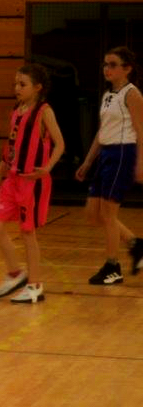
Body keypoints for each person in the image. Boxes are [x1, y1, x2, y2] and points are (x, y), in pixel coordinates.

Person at [0, 64, 65, 303]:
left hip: (32, 181)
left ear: (38, 87)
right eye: (15, 84)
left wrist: (47, 168)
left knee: (27, 232)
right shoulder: (16, 110)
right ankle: (15, 273)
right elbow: (10, 148)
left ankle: (35, 285)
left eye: (22, 84)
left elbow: (60, 144)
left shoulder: (44, 111)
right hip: (12, 179)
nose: (17, 88)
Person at [76, 47, 143, 284]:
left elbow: (141, 131)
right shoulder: (108, 95)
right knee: (93, 214)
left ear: (127, 69)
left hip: (123, 153)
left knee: (108, 213)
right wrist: (88, 160)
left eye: (113, 64)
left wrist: (141, 162)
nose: (107, 69)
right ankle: (136, 244)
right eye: (105, 64)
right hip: (105, 154)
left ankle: (112, 267)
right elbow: (102, 131)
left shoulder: (132, 94)